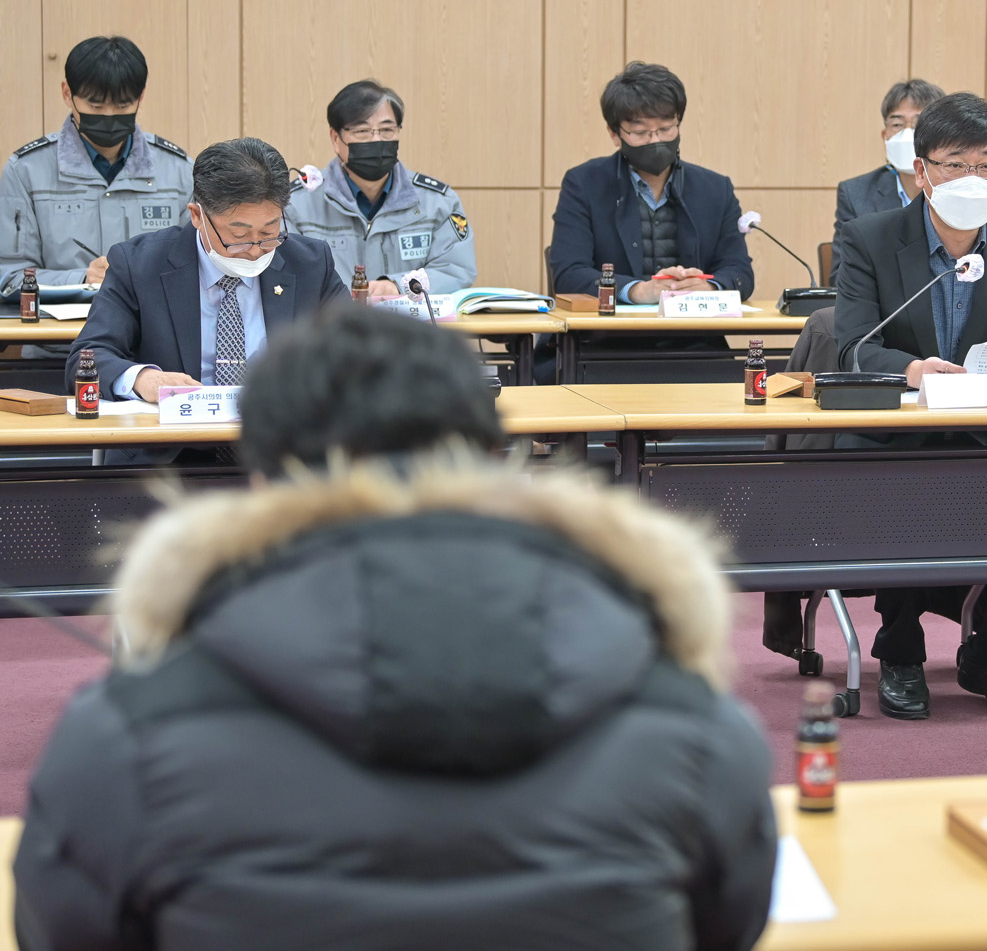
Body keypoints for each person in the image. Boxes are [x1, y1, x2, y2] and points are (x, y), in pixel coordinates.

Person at [13, 306, 778, 951]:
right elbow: (728, 925)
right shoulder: (699, 730)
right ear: (494, 458)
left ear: (263, 477)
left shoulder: (124, 738)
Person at [835, 92, 987, 720]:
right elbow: (853, 347)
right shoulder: (871, 238)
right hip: (896, 435)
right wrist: (913, 369)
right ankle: (900, 653)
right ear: (922, 170)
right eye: (955, 164)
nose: (973, 177)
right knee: (912, 494)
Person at [65, 136, 349, 400]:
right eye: (238, 235)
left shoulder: (311, 263)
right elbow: (87, 358)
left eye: (269, 231)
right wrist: (143, 379)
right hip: (173, 433)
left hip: (281, 431)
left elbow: (356, 350)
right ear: (197, 216)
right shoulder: (139, 265)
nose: (254, 250)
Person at [0, 36, 192, 380]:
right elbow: (8, 277)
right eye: (95, 105)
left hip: (153, 359)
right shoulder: (26, 170)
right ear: (67, 93)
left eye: (122, 105)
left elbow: (194, 271)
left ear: (141, 97)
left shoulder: (178, 171)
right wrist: (82, 279)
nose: (109, 116)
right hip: (55, 355)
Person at [550, 61, 753, 303]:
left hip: (693, 325)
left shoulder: (715, 189)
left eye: (666, 129)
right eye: (640, 132)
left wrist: (709, 287)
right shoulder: (585, 184)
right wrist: (635, 291)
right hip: (613, 325)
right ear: (614, 134)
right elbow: (569, 274)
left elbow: (740, 272)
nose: (655, 141)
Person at [286, 79, 476, 295]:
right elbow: (290, 277)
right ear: (336, 138)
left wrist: (397, 286)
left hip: (408, 317)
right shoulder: (297, 205)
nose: (376, 140)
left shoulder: (438, 203)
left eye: (387, 130)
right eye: (362, 131)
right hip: (333, 316)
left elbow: (454, 270)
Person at [829, 78, 944, 285]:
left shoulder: (961, 190)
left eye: (918, 123)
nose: (907, 133)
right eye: (897, 124)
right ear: (885, 136)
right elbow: (842, 277)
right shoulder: (856, 194)